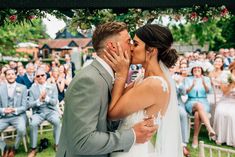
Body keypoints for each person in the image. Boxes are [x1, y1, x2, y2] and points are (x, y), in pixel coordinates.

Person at [56, 22, 157, 157]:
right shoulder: (89, 81)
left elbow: (104, 122)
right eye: (128, 42)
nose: (132, 47)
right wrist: (132, 135)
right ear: (112, 47)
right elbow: (82, 142)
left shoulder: (106, 76)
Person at [104, 24, 183, 157]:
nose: (131, 48)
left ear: (151, 50)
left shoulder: (154, 84)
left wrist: (122, 74)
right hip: (127, 146)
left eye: (135, 44)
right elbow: (117, 98)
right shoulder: (144, 77)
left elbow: (112, 113)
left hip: (132, 151)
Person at [27, 68, 61, 157]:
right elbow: (30, 104)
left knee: (57, 122)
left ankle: (57, 144)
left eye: (42, 75)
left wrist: (46, 98)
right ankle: (33, 148)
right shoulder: (32, 89)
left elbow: (54, 102)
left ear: (46, 76)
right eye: (38, 76)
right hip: (38, 112)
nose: (40, 77)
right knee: (33, 124)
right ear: (36, 78)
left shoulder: (53, 86)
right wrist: (39, 100)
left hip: (50, 111)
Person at [182, 61, 215, 148]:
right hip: (191, 102)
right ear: (192, 70)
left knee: (197, 114)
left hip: (204, 101)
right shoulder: (187, 79)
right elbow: (185, 92)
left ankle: (195, 137)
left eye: (198, 68)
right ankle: (209, 128)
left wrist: (204, 83)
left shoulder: (206, 79)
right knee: (198, 105)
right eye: (195, 68)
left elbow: (208, 91)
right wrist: (192, 85)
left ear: (201, 70)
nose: (197, 69)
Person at [0, 68, 27, 157]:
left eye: (12, 74)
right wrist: (4, 110)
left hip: (17, 116)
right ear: (5, 76)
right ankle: (4, 147)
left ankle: (14, 148)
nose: (11, 76)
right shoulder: (0, 88)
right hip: (4, 117)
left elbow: (24, 106)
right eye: (8, 74)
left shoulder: (23, 88)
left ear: (15, 75)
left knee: (22, 129)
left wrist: (14, 110)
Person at [213, 61, 235, 146]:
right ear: (232, 67)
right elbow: (225, 92)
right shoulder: (226, 76)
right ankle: (222, 138)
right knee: (222, 112)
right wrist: (232, 84)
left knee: (232, 114)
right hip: (225, 100)